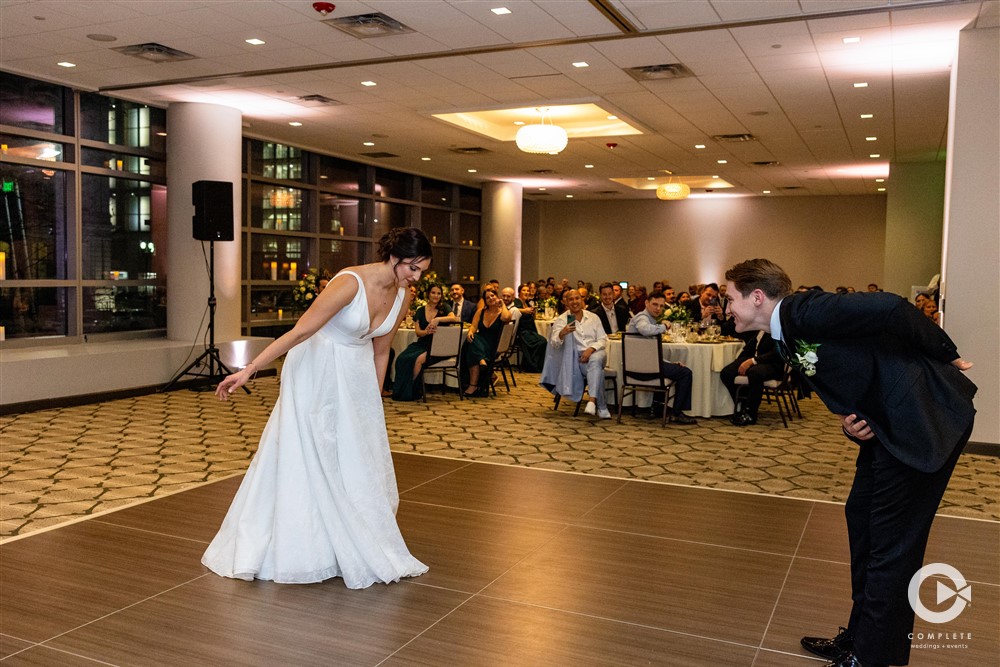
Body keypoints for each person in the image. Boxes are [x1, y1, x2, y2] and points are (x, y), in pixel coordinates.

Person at [724, 258, 976, 667]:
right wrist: (850, 424)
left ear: (756, 297)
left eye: (730, 298)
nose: (727, 308)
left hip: (921, 421)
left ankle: (869, 657)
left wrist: (946, 355)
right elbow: (850, 372)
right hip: (886, 425)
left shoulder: (805, 310)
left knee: (891, 547)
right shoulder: (785, 332)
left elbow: (892, 308)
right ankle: (863, 639)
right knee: (862, 520)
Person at [202, 227, 433, 588]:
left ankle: (349, 536)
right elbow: (300, 332)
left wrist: (372, 400)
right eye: (412, 268)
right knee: (312, 450)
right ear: (394, 255)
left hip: (355, 374)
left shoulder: (404, 295)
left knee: (356, 455)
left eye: (420, 271)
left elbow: (382, 349)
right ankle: (305, 543)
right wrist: (250, 369)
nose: (415, 277)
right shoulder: (349, 283)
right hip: (317, 368)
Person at [625, 291, 697, 425]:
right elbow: (645, 330)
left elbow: (651, 353)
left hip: (642, 365)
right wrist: (664, 326)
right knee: (686, 373)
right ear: (646, 303)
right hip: (645, 367)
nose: (658, 308)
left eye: (661, 306)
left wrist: (670, 363)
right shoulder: (642, 317)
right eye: (655, 304)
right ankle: (676, 413)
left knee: (677, 368)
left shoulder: (650, 319)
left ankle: (657, 407)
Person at [540, 288, 612, 419]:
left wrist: (591, 349)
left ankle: (592, 401)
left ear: (582, 300)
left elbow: (603, 339)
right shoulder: (563, 319)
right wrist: (562, 333)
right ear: (566, 302)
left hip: (597, 353)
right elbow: (554, 343)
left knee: (595, 359)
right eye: (571, 299)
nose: (574, 302)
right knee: (597, 371)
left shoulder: (593, 317)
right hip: (578, 360)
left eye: (577, 298)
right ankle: (600, 406)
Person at [391, 283, 459, 401]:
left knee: (417, 360)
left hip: (439, 347)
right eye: (433, 293)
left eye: (438, 293)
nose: (436, 296)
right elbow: (418, 332)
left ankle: (412, 391)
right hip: (422, 343)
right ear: (428, 294)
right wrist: (427, 332)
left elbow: (455, 318)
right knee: (401, 359)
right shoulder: (420, 310)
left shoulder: (445, 308)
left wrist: (437, 319)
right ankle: (402, 390)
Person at [719, 329, 783, 426]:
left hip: (774, 364)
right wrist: (739, 362)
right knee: (726, 373)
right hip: (757, 361)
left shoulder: (778, 328)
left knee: (755, 373)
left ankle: (751, 413)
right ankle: (744, 404)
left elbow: (776, 353)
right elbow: (749, 349)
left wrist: (752, 361)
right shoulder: (762, 329)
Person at [463, 286, 511, 396]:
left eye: (492, 296)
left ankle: (472, 385)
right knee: (472, 340)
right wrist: (470, 331)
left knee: (472, 345)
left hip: (493, 346)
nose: (490, 298)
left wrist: (502, 304)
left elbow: (506, 318)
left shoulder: (502, 312)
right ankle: (481, 361)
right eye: (487, 298)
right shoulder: (481, 311)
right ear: (485, 301)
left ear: (497, 297)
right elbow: (474, 326)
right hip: (480, 343)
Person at [512, 284, 547, 372]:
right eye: (524, 290)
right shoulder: (517, 302)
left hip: (529, 330)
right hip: (521, 332)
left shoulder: (527, 303)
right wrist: (525, 310)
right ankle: (532, 365)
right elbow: (513, 309)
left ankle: (535, 365)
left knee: (543, 340)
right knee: (541, 342)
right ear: (519, 292)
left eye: (527, 291)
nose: (526, 292)